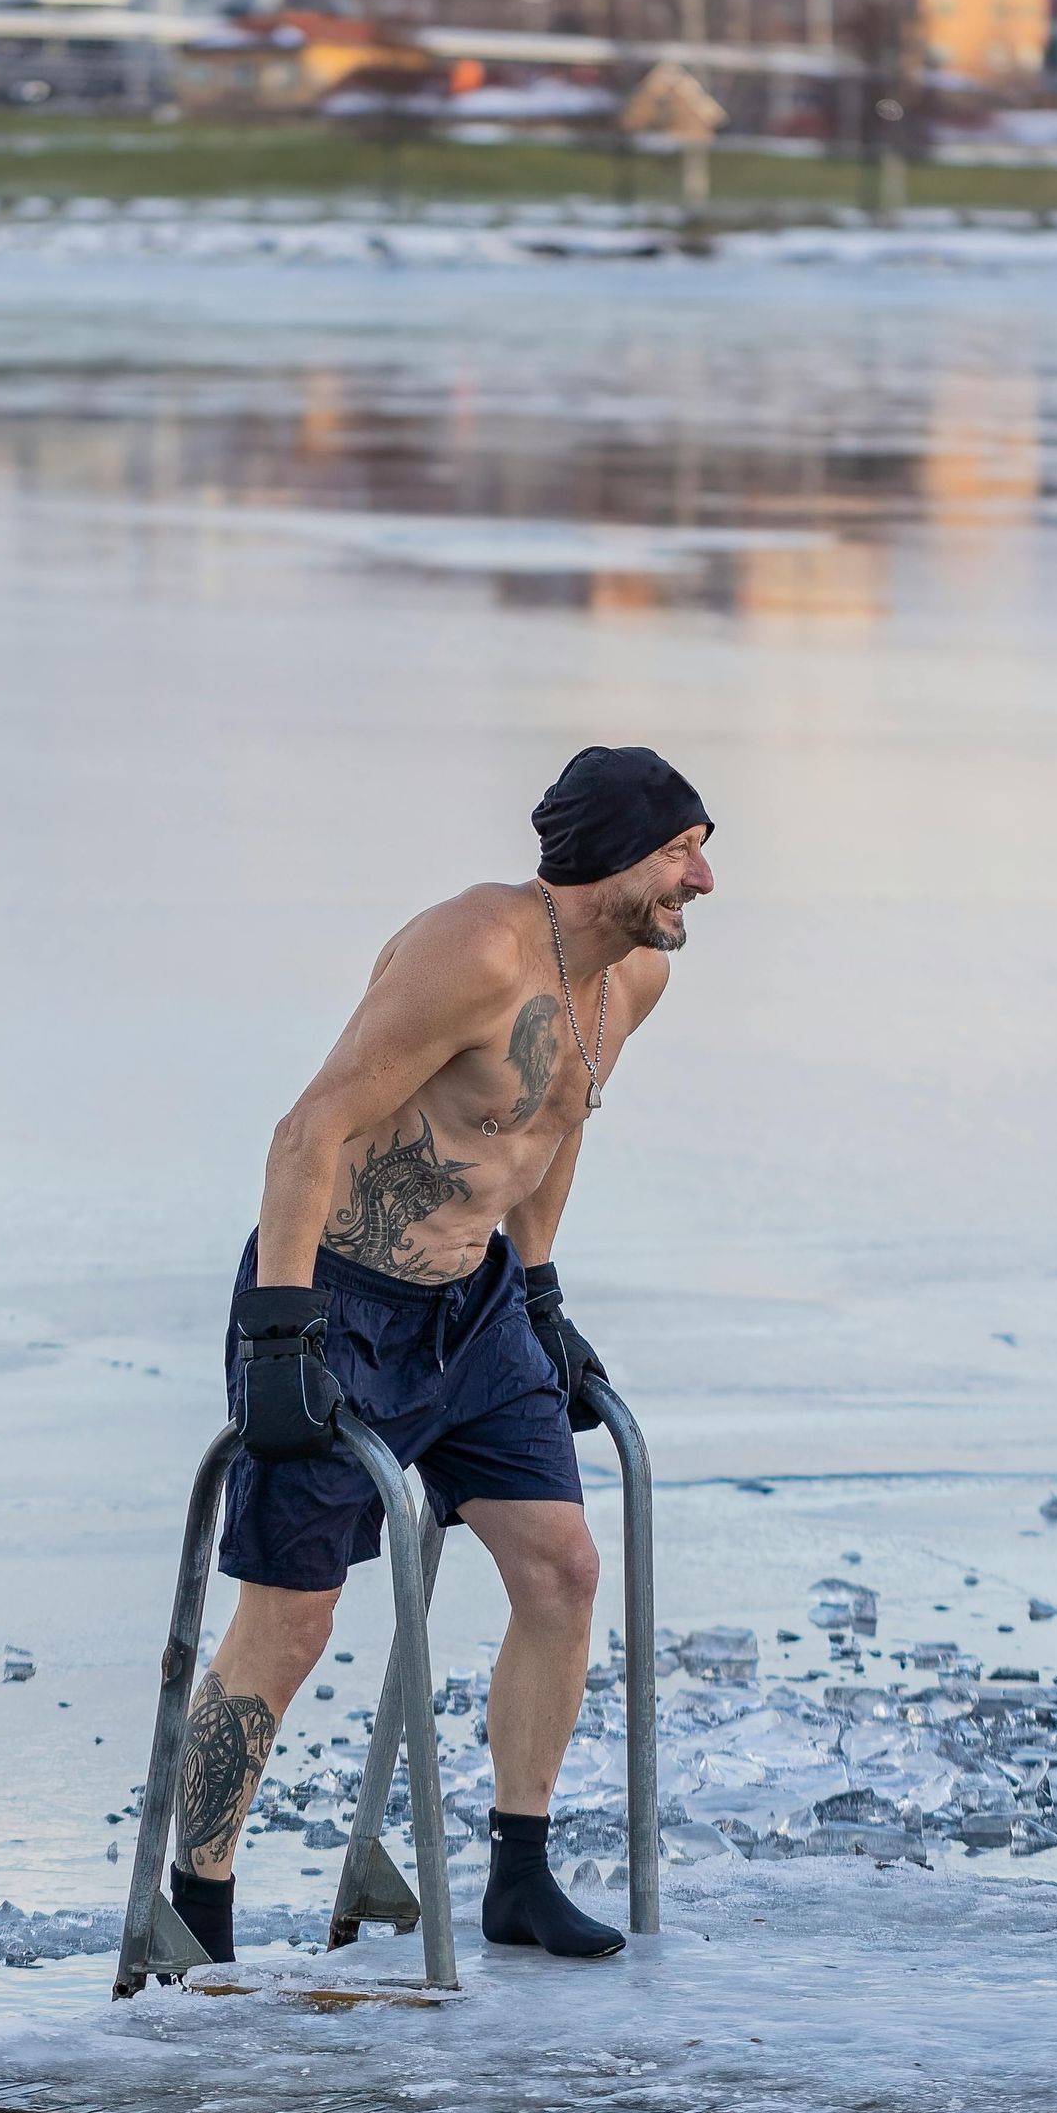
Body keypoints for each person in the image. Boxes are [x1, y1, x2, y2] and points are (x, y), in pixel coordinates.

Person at [170, 743, 714, 1969]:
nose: (705, 878)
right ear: (614, 855)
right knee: (291, 1623)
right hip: (339, 1301)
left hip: (477, 1309)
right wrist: (279, 1330)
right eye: (683, 849)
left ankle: (518, 1871)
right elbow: (312, 1126)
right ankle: (194, 1911)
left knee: (564, 1568)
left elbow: (552, 1127)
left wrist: (539, 1289)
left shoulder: (632, 982)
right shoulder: (473, 952)